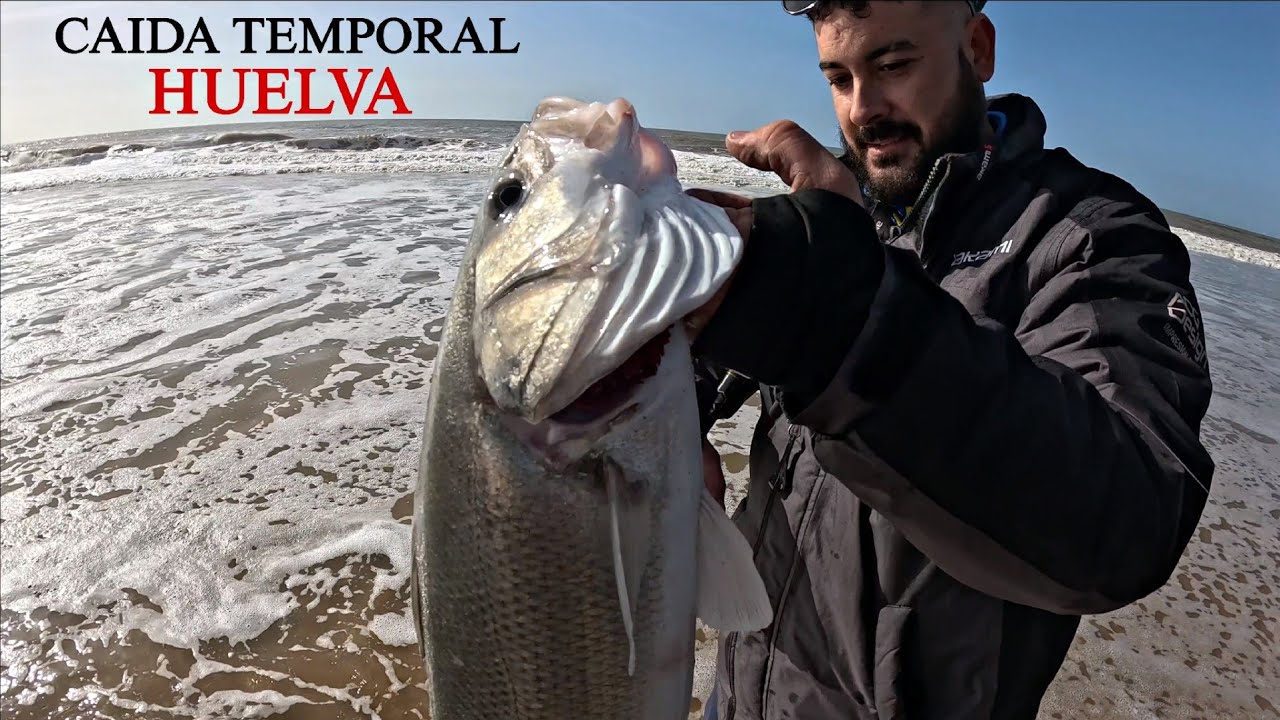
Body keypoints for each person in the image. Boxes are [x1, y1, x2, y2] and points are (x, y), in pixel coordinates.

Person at [682, 1, 1216, 719]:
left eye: (893, 64)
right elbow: (715, 361)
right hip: (740, 694)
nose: (863, 108)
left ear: (978, 47)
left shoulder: (1092, 238)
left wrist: (847, 321)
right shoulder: (837, 212)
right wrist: (667, 388)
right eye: (838, 77)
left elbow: (1131, 515)